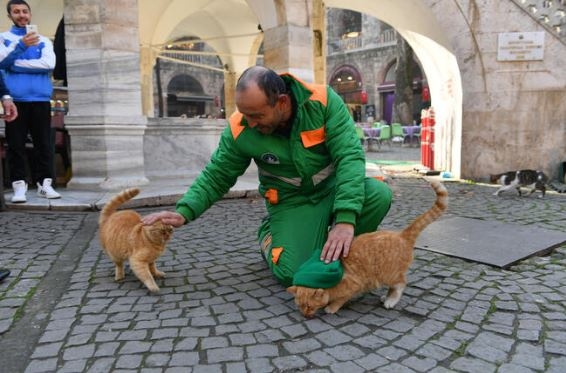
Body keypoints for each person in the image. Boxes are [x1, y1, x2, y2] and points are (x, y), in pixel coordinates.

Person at [142, 66, 392, 288]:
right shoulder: (240, 128)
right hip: (291, 202)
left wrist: (345, 220)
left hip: (333, 190)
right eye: (244, 114)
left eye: (257, 116)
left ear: (281, 102)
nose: (250, 123)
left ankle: (340, 253)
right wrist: (185, 210)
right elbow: (218, 174)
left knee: (379, 195)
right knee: (292, 274)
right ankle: (268, 234)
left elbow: (349, 157)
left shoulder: (324, 102)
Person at [0, 0, 60, 203]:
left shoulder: (44, 40)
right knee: (15, 144)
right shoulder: (3, 38)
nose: (21, 15)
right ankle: (19, 186)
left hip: (41, 99)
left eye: (25, 11)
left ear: (30, 14)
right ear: (10, 16)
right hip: (15, 100)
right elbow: (0, 61)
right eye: (16, 12)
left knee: (43, 144)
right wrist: (21, 46)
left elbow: (49, 64)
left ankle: (45, 185)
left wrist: (14, 65)